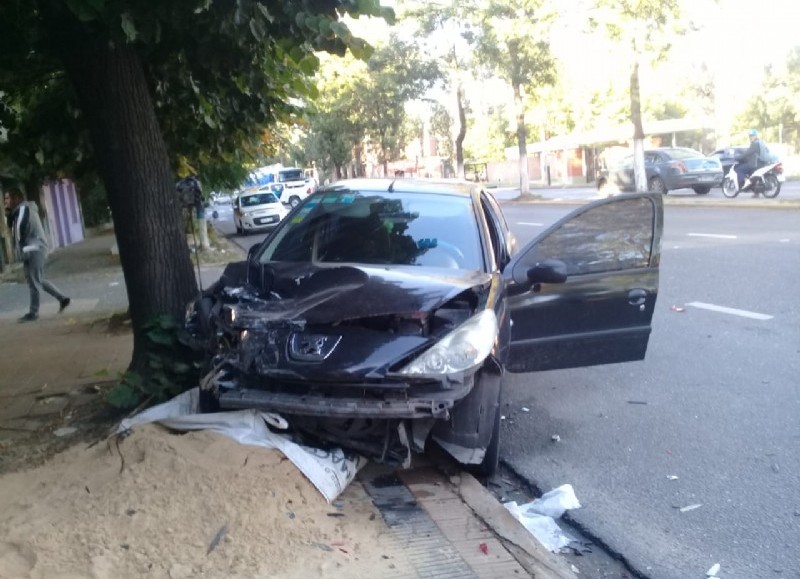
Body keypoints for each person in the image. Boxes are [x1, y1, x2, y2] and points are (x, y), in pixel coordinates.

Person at [5, 188, 70, 322]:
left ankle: (33, 313)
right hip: (31, 248)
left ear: (16, 198)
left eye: (7, 198)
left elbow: (19, 229)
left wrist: (17, 246)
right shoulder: (19, 210)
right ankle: (63, 299)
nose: (5, 201)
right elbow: (13, 227)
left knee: (34, 281)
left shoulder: (23, 208)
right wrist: (9, 215)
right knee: (36, 279)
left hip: (34, 248)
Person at [733, 129, 764, 194]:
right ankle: (755, 191)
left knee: (739, 169)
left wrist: (738, 157)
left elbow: (747, 153)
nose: (750, 137)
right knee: (751, 176)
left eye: (752, 136)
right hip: (760, 163)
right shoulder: (760, 142)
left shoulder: (754, 144)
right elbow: (750, 152)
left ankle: (742, 184)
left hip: (754, 164)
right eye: (750, 136)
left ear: (756, 136)